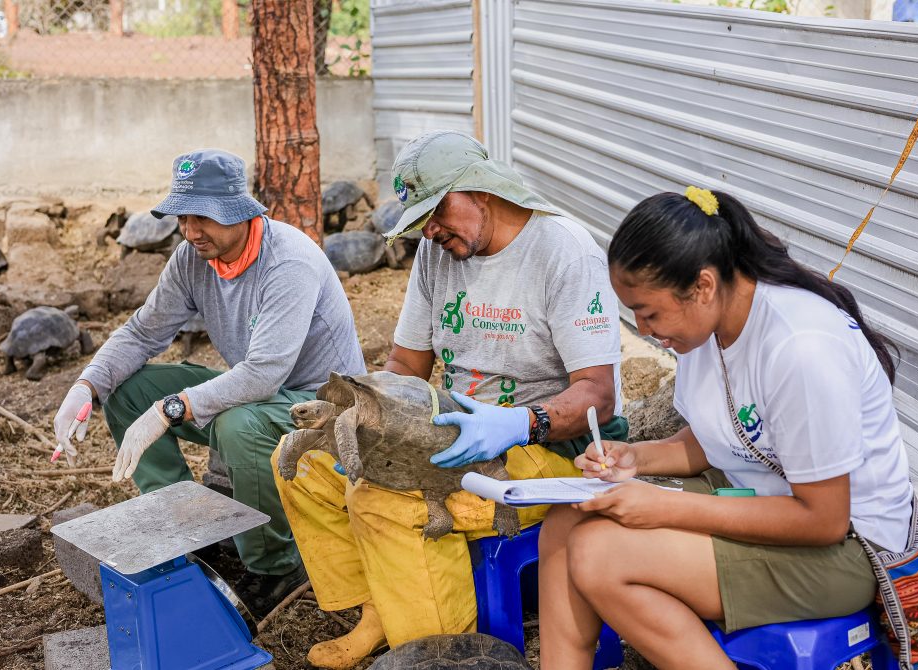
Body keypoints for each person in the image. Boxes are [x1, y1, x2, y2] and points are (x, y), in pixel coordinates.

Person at [271, 130, 628, 669]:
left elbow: (598, 394)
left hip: (548, 447)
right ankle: (379, 611)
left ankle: (445, 654)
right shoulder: (437, 254)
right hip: (448, 427)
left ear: (482, 189)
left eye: (437, 212)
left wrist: (516, 424)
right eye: (421, 220)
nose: (430, 230)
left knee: (389, 501)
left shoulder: (563, 251)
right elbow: (405, 365)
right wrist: (373, 416)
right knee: (302, 463)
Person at [536, 186, 918, 669]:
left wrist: (663, 507)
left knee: (600, 555)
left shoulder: (800, 348)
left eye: (649, 312)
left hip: (848, 548)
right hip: (758, 493)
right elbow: (718, 440)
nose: (642, 328)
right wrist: (635, 457)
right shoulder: (707, 327)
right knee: (567, 521)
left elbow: (823, 520)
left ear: (702, 286)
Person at [52, 148, 367, 618]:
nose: (190, 230)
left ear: (239, 210)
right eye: (183, 216)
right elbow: (142, 332)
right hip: (264, 394)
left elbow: (264, 373)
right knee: (128, 390)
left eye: (203, 216)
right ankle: (186, 532)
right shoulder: (192, 259)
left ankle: (276, 566)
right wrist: (86, 386)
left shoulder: (288, 261)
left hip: (324, 408)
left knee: (237, 424)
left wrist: (170, 409)